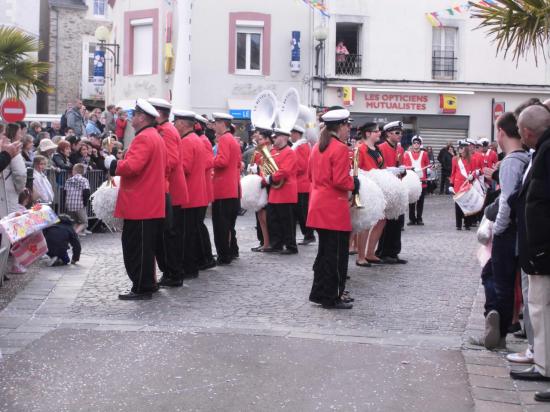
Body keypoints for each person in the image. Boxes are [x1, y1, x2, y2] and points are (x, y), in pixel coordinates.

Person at [509, 104, 550, 402]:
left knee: (541, 307)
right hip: (538, 245)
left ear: (526, 132)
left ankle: (545, 366)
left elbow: (540, 203)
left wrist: (538, 248)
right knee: (539, 307)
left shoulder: (546, 152)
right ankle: (543, 362)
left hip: (543, 248)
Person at [106, 99, 167, 300]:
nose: (132, 118)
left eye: (135, 114)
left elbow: (133, 167)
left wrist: (114, 164)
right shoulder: (154, 136)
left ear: (143, 117)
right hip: (148, 202)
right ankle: (147, 282)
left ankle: (142, 286)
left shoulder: (144, 138)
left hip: (140, 203)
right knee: (146, 247)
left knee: (136, 248)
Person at [308, 108, 358, 309]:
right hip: (333, 208)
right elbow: (339, 180)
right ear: (341, 126)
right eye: (348, 126)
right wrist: (354, 183)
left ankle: (319, 293)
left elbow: (312, 177)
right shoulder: (338, 148)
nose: (349, 130)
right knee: (336, 256)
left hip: (318, 205)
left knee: (324, 254)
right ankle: (332, 296)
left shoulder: (317, 147)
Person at [148, 99, 190, 288]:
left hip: (171, 188)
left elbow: (170, 161)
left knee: (169, 236)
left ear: (158, 113)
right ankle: (172, 272)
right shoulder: (165, 129)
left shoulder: (166, 131)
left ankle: (174, 273)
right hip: (171, 188)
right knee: (168, 235)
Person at [172, 109, 209, 278]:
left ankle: (189, 268)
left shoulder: (186, 142)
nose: (174, 126)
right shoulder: (196, 139)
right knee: (191, 234)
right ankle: (192, 266)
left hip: (189, 196)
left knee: (186, 236)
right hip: (197, 195)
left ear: (182, 124)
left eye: (176, 122)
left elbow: (184, 169)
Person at [211, 112, 242, 265]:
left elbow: (222, 161)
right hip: (231, 188)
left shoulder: (224, 139)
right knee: (228, 225)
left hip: (223, 188)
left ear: (222, 123)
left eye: (215, 123)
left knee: (221, 226)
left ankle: (224, 256)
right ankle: (230, 251)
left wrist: (210, 160)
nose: (214, 126)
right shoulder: (232, 140)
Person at [262, 128, 298, 254]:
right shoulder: (274, 152)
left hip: (285, 190)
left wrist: (271, 177)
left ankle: (291, 246)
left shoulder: (290, 152)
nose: (274, 139)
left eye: (276, 136)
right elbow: (268, 166)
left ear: (283, 137)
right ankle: (276, 244)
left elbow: (285, 170)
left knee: (286, 221)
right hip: (275, 191)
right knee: (273, 219)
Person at [376, 121, 407, 264]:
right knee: (386, 222)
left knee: (397, 222)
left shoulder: (400, 149)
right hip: (386, 189)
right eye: (397, 133)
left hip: (397, 187)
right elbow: (377, 168)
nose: (400, 135)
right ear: (388, 134)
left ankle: (394, 252)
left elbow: (399, 168)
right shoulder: (380, 148)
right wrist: (390, 170)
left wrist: (403, 170)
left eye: (401, 133)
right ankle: (383, 252)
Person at [356, 122, 385, 266]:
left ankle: (370, 253)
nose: (379, 133)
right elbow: (356, 170)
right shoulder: (360, 149)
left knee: (378, 220)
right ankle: (361, 256)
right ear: (368, 134)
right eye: (376, 131)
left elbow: (381, 167)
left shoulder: (377, 149)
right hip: (366, 189)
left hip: (377, 189)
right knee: (365, 223)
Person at [193, 114, 216, 269]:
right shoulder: (202, 140)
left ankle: (205, 257)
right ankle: (204, 256)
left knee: (198, 225)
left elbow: (208, 162)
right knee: (198, 225)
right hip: (202, 185)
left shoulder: (202, 141)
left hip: (202, 186)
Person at [291, 125, 315, 245]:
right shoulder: (302, 145)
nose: (290, 135)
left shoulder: (300, 147)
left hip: (301, 184)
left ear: (297, 134)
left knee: (302, 212)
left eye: (292, 133)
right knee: (302, 212)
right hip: (302, 184)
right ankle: (308, 234)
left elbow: (301, 166)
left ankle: (308, 234)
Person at [449, 140, 479, 230]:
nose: (459, 150)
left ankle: (467, 223)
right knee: (458, 205)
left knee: (468, 204)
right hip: (458, 185)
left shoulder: (473, 159)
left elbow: (475, 171)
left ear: (466, 149)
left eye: (461, 148)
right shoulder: (455, 159)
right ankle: (458, 224)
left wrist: (472, 177)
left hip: (468, 184)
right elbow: (453, 173)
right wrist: (451, 184)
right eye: (459, 148)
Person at [403, 135, 430, 225]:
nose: (416, 145)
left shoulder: (424, 154)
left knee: (420, 202)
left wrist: (430, 169)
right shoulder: (407, 154)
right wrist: (410, 169)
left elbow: (428, 165)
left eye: (418, 143)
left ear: (420, 144)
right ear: (412, 144)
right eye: (414, 143)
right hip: (411, 182)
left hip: (422, 181)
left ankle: (419, 218)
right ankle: (412, 219)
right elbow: (405, 167)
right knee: (411, 202)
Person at [64, 163, 91, 236]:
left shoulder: (68, 180)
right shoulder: (84, 180)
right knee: (84, 222)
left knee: (74, 221)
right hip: (79, 204)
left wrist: (66, 202)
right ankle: (74, 234)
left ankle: (74, 233)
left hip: (69, 204)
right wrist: (85, 203)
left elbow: (65, 192)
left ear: (75, 171)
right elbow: (86, 192)